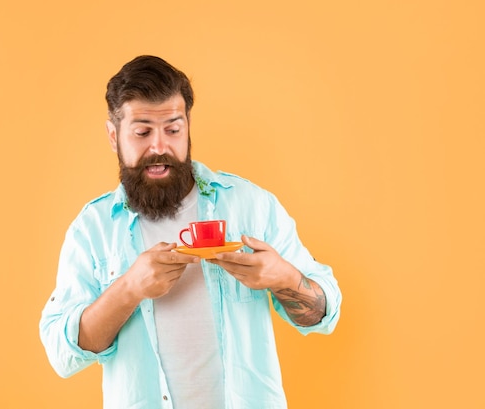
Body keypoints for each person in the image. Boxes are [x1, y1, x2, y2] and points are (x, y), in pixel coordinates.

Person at [39, 55, 342, 409]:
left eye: (172, 129)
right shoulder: (93, 229)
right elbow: (62, 354)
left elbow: (325, 313)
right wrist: (129, 289)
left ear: (188, 126)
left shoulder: (251, 205)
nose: (158, 147)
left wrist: (284, 277)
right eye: (142, 132)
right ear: (113, 135)